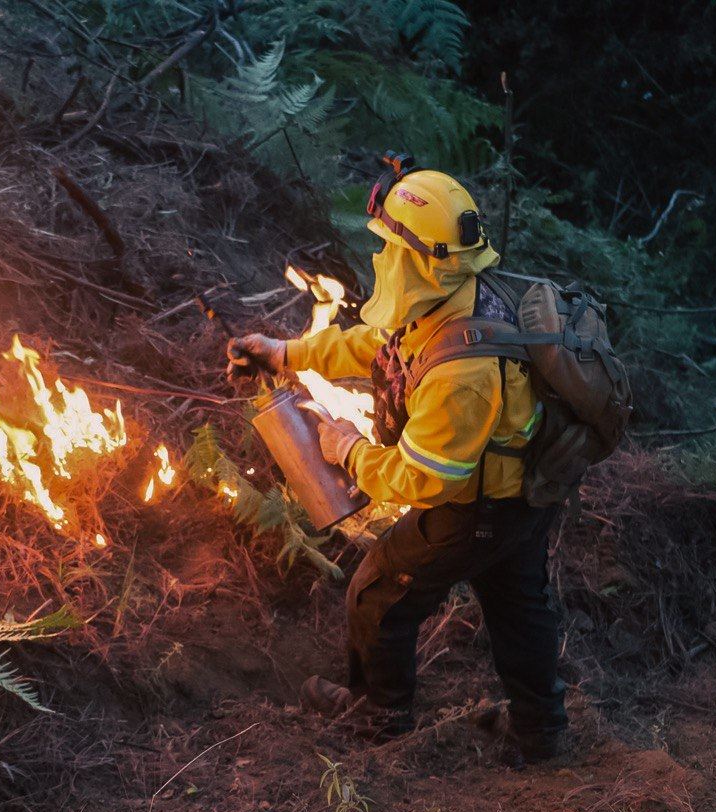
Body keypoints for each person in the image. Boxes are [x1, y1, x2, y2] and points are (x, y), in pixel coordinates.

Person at [226, 154, 567, 761]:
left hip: (478, 506)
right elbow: (377, 345)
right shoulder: (459, 292)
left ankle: (377, 721)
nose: (380, 255)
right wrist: (286, 353)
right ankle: (540, 733)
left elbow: (424, 479)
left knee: (378, 592)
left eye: (388, 245)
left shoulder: (463, 372)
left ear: (416, 258)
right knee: (519, 605)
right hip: (523, 493)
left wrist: (347, 449)